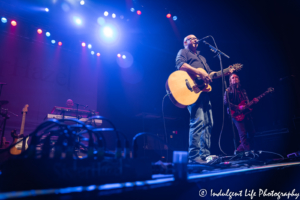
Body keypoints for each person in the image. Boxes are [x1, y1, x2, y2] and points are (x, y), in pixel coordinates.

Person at [175, 34, 234, 164]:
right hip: (191, 90)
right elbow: (180, 65)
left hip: (204, 92)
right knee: (197, 121)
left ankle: (204, 155)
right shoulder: (183, 51)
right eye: (192, 38)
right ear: (185, 42)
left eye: (196, 38)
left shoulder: (201, 57)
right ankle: (193, 155)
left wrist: (224, 71)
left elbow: (210, 74)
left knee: (209, 123)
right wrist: (198, 71)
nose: (195, 39)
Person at [223, 74, 259, 153]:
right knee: (243, 134)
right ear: (230, 81)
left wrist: (253, 102)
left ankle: (239, 149)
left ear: (239, 79)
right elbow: (226, 102)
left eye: (236, 77)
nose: (235, 79)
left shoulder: (243, 91)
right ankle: (247, 153)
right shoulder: (228, 90)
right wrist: (237, 107)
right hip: (235, 114)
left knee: (252, 132)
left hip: (245, 113)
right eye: (232, 78)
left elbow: (247, 103)